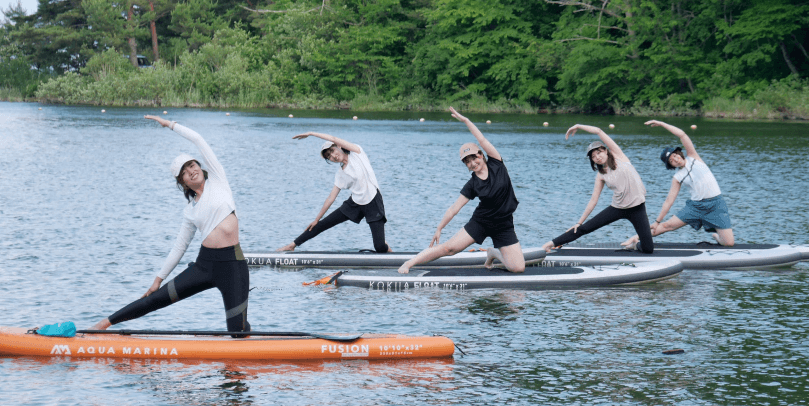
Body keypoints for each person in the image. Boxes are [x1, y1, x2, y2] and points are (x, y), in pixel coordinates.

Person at [91, 116, 250, 335]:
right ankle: (103, 324)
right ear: (183, 183)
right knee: (155, 299)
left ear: (200, 167)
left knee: (238, 332)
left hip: (233, 265)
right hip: (204, 266)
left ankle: (254, 347)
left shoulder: (218, 179)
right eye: (185, 172)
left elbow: (198, 139)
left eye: (192, 165)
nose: (191, 171)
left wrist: (171, 125)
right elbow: (179, 247)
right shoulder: (190, 211)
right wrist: (158, 280)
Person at [398, 107, 525, 274]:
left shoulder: (496, 162)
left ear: (481, 155)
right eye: (467, 162)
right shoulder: (472, 184)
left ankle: (493, 253)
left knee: (518, 268)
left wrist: (466, 121)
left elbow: (481, 138)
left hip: (504, 223)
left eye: (474, 158)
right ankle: (410, 262)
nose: (472, 163)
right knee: (449, 248)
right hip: (482, 222)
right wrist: (439, 228)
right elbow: (454, 209)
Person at [541, 124, 654, 254]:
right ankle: (551, 244)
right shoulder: (601, 175)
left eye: (598, 153)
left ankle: (635, 244)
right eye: (593, 157)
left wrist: (578, 126)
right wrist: (579, 222)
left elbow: (598, 131)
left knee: (648, 249)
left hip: (637, 208)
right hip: (617, 208)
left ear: (605, 150)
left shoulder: (619, 156)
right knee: (584, 228)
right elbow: (593, 200)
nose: (597, 157)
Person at [621, 120, 734, 247]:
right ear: (671, 165)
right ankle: (635, 238)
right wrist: (657, 221)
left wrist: (662, 124)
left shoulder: (693, 157)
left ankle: (716, 235)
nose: (675, 159)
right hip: (696, 207)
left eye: (675, 155)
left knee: (729, 243)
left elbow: (682, 135)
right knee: (668, 226)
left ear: (679, 153)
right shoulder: (677, 177)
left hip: (716, 204)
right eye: (671, 160)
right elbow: (669, 200)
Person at [276, 132, 392, 253]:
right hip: (355, 203)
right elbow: (331, 198)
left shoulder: (357, 153)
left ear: (338, 146)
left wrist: (311, 133)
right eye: (329, 156)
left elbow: (333, 138)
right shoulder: (340, 174)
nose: (333, 156)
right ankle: (292, 245)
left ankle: (391, 254)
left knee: (379, 247)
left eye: (332, 150)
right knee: (321, 224)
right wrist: (317, 219)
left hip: (372, 200)